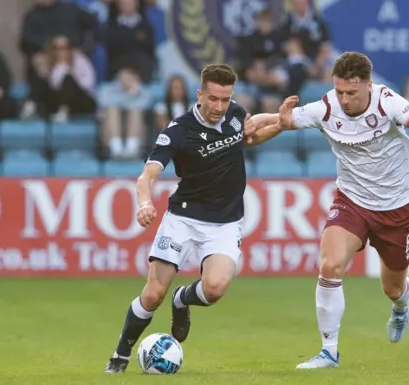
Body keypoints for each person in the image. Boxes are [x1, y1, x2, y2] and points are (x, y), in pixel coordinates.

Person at [261, 51, 409, 369]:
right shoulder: (326, 107)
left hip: (396, 206)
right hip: (352, 200)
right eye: (340, 91)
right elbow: (279, 122)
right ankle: (329, 351)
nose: (344, 100)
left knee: (392, 287)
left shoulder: (387, 102)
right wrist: (272, 121)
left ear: (369, 86)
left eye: (351, 93)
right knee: (330, 265)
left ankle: (402, 303)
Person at [103, 64, 285, 373]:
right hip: (183, 218)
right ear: (200, 94)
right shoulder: (178, 130)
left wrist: (282, 123)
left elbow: (250, 137)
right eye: (213, 99)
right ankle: (120, 355)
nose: (219, 107)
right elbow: (146, 176)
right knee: (153, 293)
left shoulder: (235, 113)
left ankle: (183, 298)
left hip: (226, 222)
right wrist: (145, 203)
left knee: (214, 289)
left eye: (225, 100)